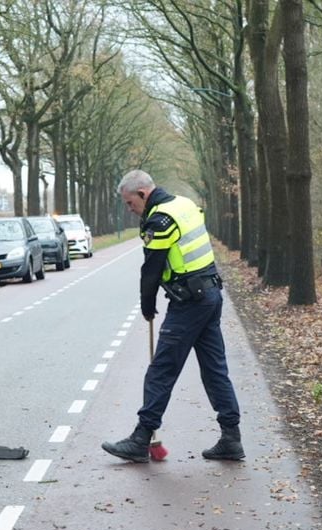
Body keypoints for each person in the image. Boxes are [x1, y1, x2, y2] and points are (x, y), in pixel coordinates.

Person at [102, 170, 243, 463]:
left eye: (130, 203)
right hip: (211, 294)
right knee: (215, 369)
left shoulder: (160, 219)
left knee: (161, 370)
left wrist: (147, 303)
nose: (130, 210)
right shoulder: (185, 204)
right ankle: (231, 438)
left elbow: (152, 267)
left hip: (190, 303)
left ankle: (141, 439)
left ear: (143, 194)